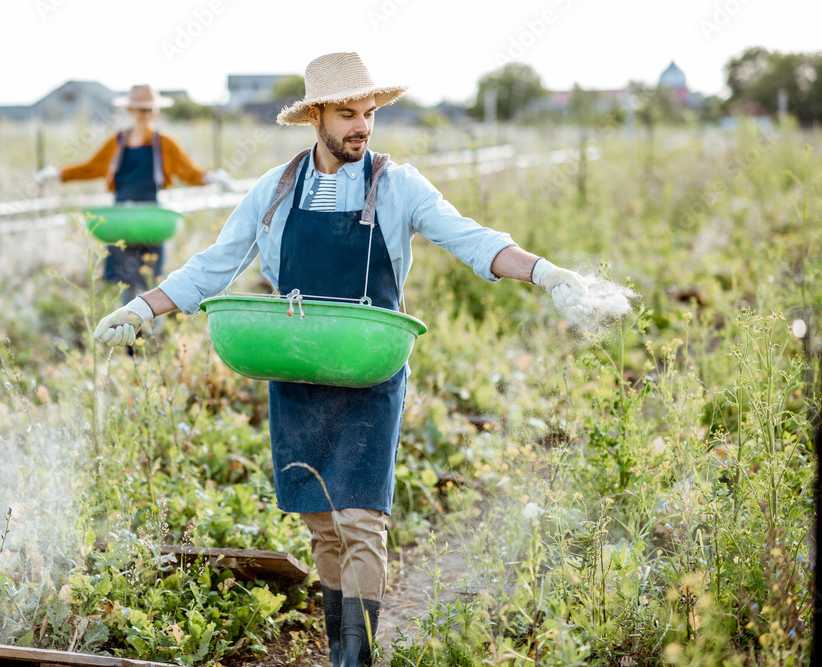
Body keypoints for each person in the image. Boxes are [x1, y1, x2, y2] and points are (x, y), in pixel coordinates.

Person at [92, 53, 588, 667]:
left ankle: (358, 661)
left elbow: (471, 238)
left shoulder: (398, 185)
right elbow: (214, 267)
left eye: (370, 113)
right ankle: (338, 652)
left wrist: (546, 273)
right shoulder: (275, 190)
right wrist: (141, 309)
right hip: (298, 368)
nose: (363, 126)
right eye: (348, 114)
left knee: (360, 521)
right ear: (316, 117)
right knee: (322, 524)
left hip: (367, 370)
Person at [35, 84, 230, 306]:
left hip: (150, 219)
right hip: (121, 221)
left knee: (151, 280)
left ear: (155, 111)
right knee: (125, 284)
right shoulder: (117, 142)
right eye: (140, 109)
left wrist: (212, 178)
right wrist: (57, 174)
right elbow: (91, 168)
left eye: (149, 109)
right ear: (130, 111)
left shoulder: (163, 143)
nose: (145, 114)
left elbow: (189, 173)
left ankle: (152, 334)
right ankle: (127, 334)